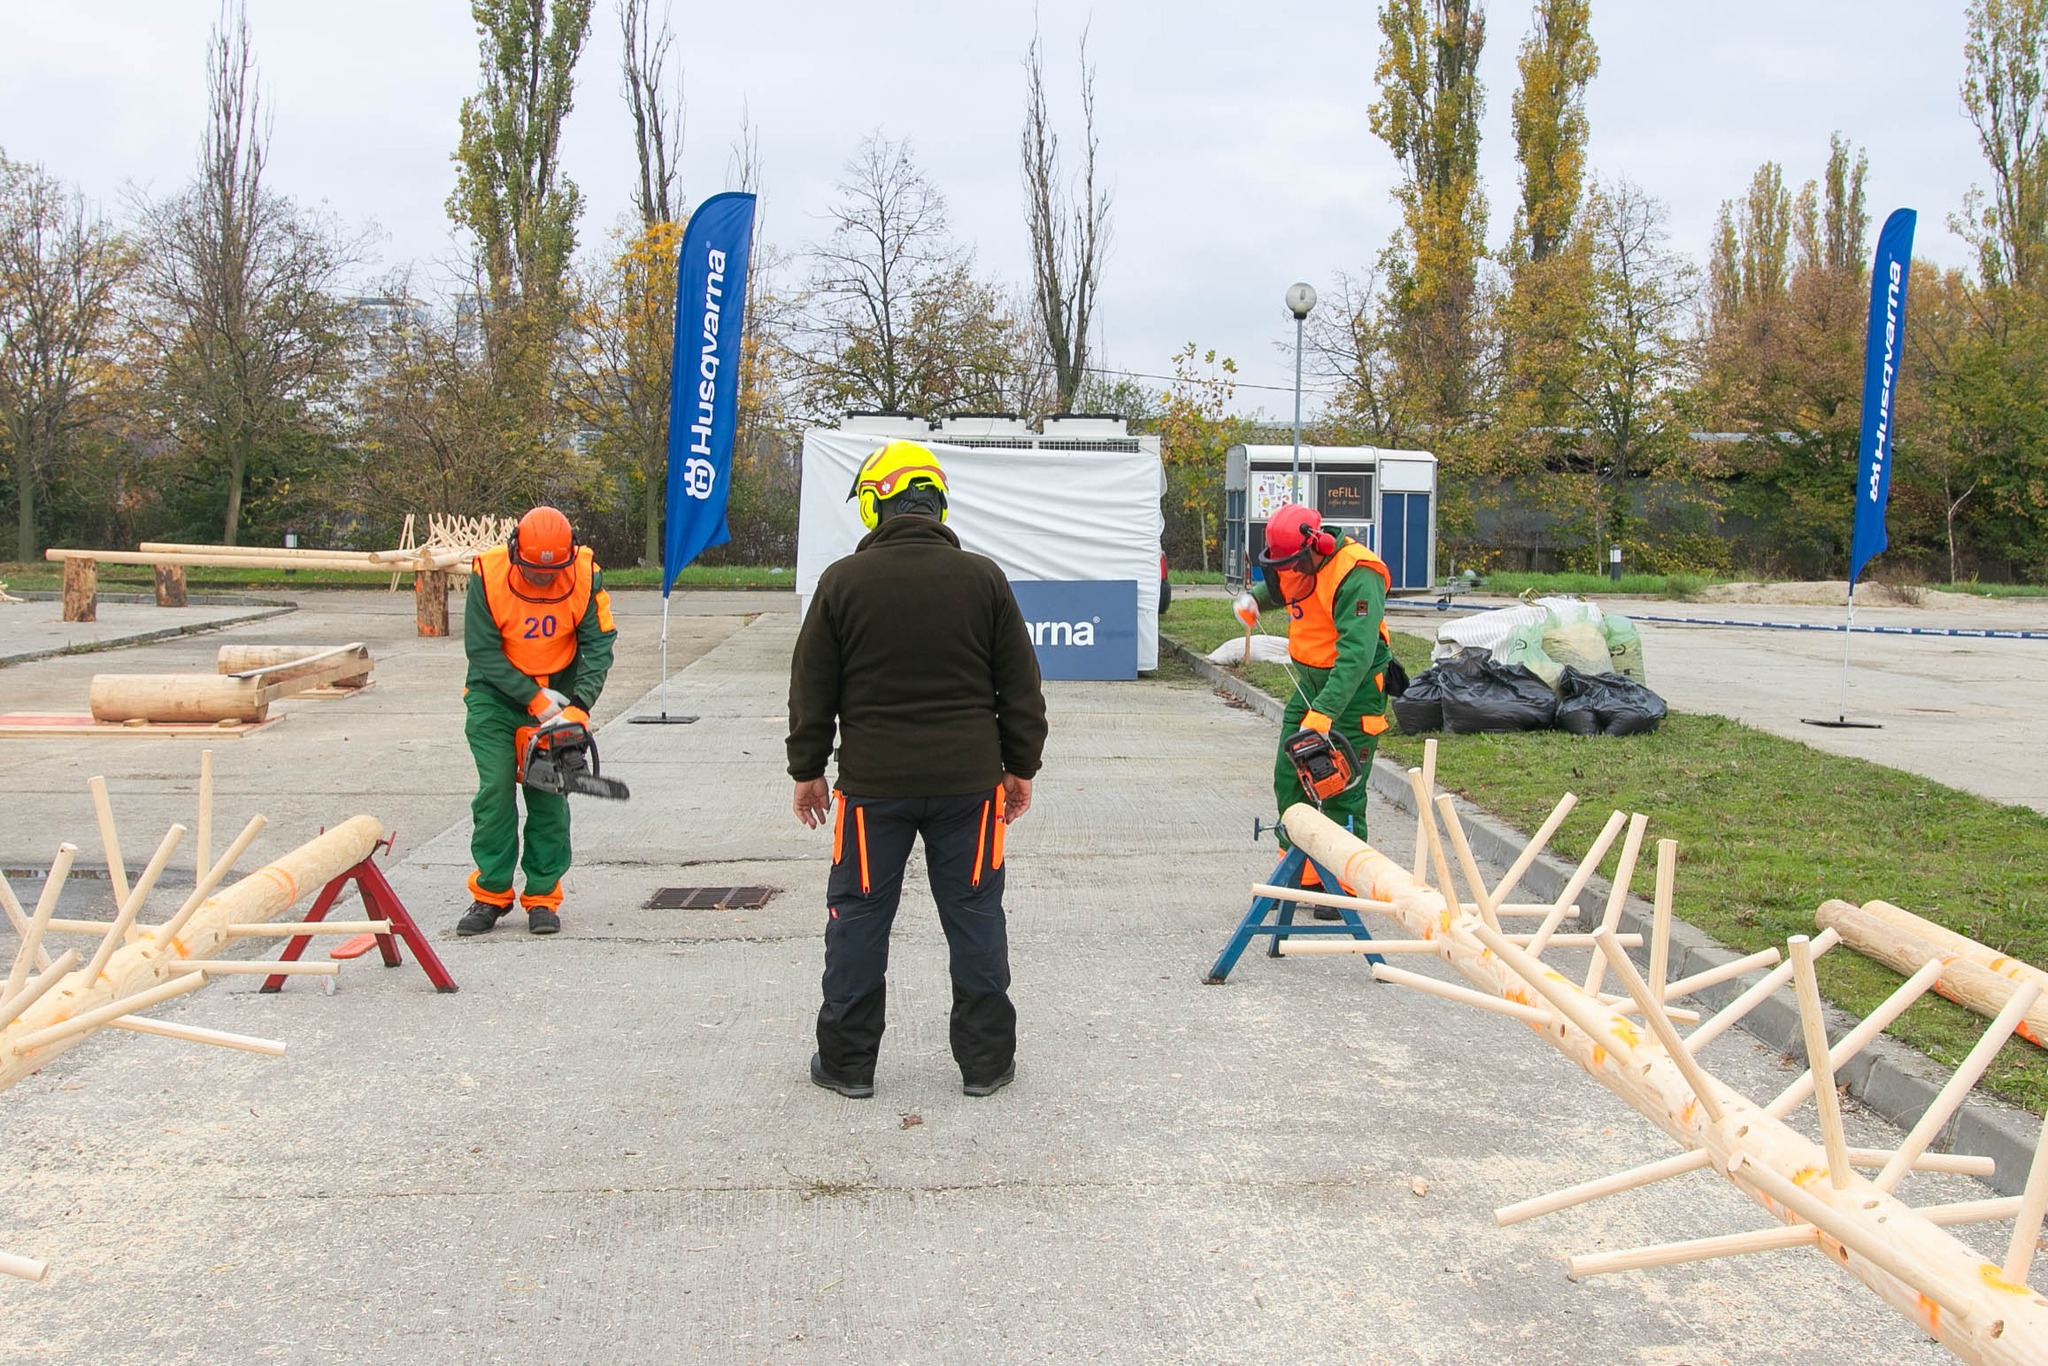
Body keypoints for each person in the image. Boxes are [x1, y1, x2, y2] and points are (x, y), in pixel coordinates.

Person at [786, 440, 1048, 1100]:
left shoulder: (842, 581)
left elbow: (811, 687)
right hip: (970, 788)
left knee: (859, 918)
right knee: (975, 917)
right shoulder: (984, 578)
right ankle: (987, 1064)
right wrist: (1020, 767)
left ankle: (846, 1065)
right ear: (937, 503)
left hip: (873, 790)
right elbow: (1021, 687)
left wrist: (807, 768)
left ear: (877, 502)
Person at [457, 505, 618, 937]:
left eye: (551, 572)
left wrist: (578, 707)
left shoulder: (585, 574)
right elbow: (482, 650)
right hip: (495, 696)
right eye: (534, 571)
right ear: (515, 553)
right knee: (494, 790)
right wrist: (532, 697)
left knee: (547, 796)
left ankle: (543, 896)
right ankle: (490, 894)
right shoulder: (487, 574)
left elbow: (599, 644)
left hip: (559, 696)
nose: (543, 578)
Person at [1234, 503, 1394, 854]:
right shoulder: (1300, 562)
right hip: (1310, 686)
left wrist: (1324, 713)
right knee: (1290, 777)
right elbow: (1287, 587)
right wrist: (1254, 600)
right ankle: (1296, 873)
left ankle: (1344, 883)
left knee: (1339, 787)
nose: (1289, 570)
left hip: (1354, 692)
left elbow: (1356, 656)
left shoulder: (1358, 575)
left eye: (1293, 564)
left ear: (1316, 545)